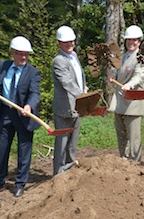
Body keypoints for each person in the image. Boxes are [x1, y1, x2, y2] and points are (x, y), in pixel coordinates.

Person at [0, 36, 41, 197]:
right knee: (2, 149)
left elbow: (35, 93)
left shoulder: (33, 72)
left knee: (24, 150)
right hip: (5, 113)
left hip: (24, 115)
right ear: (12, 53)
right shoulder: (3, 66)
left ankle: (20, 184)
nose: (23, 57)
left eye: (26, 54)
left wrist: (29, 105)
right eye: (20, 54)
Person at [108, 25, 144, 162]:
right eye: (129, 40)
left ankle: (136, 162)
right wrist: (114, 75)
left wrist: (130, 85)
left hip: (133, 102)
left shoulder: (140, 58)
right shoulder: (125, 57)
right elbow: (121, 72)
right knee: (121, 134)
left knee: (134, 136)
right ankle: (123, 161)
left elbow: (140, 75)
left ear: (139, 41)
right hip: (120, 101)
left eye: (134, 40)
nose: (131, 42)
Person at [52, 26, 88, 176]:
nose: (70, 44)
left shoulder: (74, 56)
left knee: (72, 145)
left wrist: (84, 88)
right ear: (59, 43)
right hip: (64, 109)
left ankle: (69, 172)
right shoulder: (59, 60)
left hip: (76, 107)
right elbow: (67, 82)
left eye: (71, 41)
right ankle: (58, 175)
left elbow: (78, 79)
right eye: (65, 42)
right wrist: (82, 94)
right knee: (62, 144)